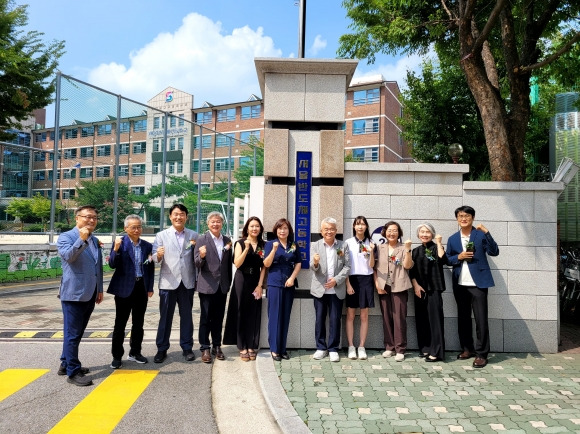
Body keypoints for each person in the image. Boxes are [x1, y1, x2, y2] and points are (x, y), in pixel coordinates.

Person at [446, 205, 499, 368]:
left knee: (481, 319)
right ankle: (467, 349)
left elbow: (494, 252)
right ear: (457, 219)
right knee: (463, 318)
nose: (463, 218)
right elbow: (448, 259)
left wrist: (487, 233)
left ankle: (482, 354)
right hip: (460, 283)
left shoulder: (480, 235)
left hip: (479, 283)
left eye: (467, 216)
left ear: (472, 218)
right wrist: (459, 256)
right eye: (460, 216)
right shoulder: (453, 238)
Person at [57, 205, 103, 386]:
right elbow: (69, 256)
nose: (91, 220)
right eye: (87, 217)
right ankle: (73, 371)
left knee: (76, 332)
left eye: (94, 217)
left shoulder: (95, 239)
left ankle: (65, 363)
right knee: (72, 334)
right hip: (73, 293)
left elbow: (97, 266)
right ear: (77, 218)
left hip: (90, 293)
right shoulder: (66, 237)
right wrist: (81, 240)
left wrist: (99, 289)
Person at [152, 204, 198, 363]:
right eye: (176, 214)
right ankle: (161, 349)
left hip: (187, 282)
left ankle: (187, 348)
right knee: (165, 317)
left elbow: (196, 259)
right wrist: (157, 255)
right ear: (170, 216)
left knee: (187, 317)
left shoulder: (194, 236)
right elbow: (154, 259)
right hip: (167, 283)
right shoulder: (161, 235)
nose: (179, 217)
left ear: (186, 217)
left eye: (182, 214)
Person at [107, 215, 155, 369]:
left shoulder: (147, 246)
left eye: (139, 227)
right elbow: (112, 265)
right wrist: (115, 249)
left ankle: (135, 352)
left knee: (138, 323)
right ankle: (117, 356)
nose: (136, 230)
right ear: (125, 228)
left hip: (141, 287)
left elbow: (150, 268)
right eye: (133, 227)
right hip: (123, 288)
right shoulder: (120, 243)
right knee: (120, 324)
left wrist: (150, 287)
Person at [223, 217, 266, 361]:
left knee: (253, 313)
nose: (254, 229)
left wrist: (260, 285)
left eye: (257, 226)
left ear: (260, 229)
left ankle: (251, 345)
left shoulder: (262, 245)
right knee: (240, 311)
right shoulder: (240, 243)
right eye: (252, 226)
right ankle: (242, 346)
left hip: (255, 281)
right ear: (247, 228)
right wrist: (247, 248)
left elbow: (264, 267)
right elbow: (237, 263)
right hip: (242, 279)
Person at [310, 217, 351, 362]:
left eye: (332, 229)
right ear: (321, 231)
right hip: (319, 289)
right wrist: (315, 263)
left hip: (336, 289)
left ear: (336, 231)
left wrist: (336, 280)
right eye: (326, 229)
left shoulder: (342, 246)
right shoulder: (315, 245)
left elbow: (347, 266)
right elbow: (312, 267)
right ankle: (321, 348)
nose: (329, 231)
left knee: (335, 319)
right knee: (320, 319)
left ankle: (333, 348)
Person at [194, 211, 233, 363]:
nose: (216, 224)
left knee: (218, 318)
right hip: (206, 286)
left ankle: (217, 345)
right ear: (208, 224)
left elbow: (228, 265)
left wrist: (228, 283)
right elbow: (196, 263)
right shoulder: (201, 239)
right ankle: (205, 347)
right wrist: (201, 256)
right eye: (213, 222)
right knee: (205, 318)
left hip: (221, 286)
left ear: (222, 223)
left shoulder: (227, 241)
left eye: (218, 221)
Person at [374, 221, 413, 361]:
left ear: (399, 233)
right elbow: (374, 267)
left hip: (400, 285)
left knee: (399, 318)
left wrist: (408, 250)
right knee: (386, 317)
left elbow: (408, 266)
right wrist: (377, 284)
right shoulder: (379, 248)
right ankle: (389, 347)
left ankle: (400, 349)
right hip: (384, 286)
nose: (392, 233)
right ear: (384, 232)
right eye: (389, 230)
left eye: (395, 230)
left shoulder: (403, 247)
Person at [263, 218, 301, 361]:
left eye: (285, 228)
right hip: (274, 284)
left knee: (285, 317)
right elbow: (266, 264)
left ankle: (282, 348)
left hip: (289, 284)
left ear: (289, 230)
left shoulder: (293, 245)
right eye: (280, 228)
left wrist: (292, 278)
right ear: (276, 230)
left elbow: (298, 263)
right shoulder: (270, 244)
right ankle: (274, 349)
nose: (282, 231)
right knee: (274, 317)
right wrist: (273, 250)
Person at [409, 223, 448, 362]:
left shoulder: (437, 248)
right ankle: (425, 348)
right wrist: (415, 285)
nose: (424, 234)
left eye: (427, 232)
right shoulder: (415, 251)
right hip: (420, 289)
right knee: (422, 319)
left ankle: (437, 351)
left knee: (435, 320)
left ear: (432, 234)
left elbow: (444, 260)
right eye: (422, 232)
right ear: (418, 234)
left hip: (434, 289)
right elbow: (411, 271)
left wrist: (439, 243)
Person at [344, 216, 375, 360]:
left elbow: (372, 266)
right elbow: (344, 265)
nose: (360, 227)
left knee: (364, 316)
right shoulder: (347, 243)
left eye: (363, 224)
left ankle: (361, 346)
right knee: (350, 315)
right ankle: (351, 346)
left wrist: (372, 252)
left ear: (366, 227)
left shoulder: (371, 243)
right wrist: (348, 284)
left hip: (366, 279)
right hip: (352, 279)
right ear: (354, 227)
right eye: (358, 224)